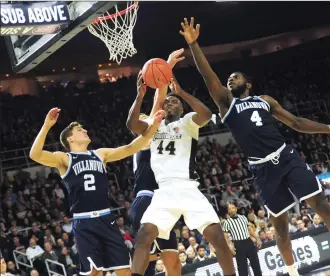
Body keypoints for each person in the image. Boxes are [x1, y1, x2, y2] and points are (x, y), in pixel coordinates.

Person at [181, 17, 330, 275]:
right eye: (228, 79)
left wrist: (328, 129)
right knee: (280, 227)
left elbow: (296, 122)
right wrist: (194, 44)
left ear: (247, 84)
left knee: (321, 205)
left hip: (286, 157)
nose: (229, 80)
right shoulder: (226, 103)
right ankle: (292, 273)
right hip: (262, 170)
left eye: (235, 77)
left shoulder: (265, 100)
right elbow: (208, 76)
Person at [29, 95, 165, 275]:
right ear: (70, 139)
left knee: (124, 270)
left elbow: (131, 148)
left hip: (106, 219)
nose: (84, 130)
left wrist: (153, 126)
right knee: (95, 273)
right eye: (79, 129)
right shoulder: (64, 158)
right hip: (84, 222)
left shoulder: (100, 154)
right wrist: (46, 126)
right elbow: (35, 154)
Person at [129, 76, 236, 276]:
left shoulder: (187, 122)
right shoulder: (154, 126)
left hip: (188, 188)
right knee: (144, 235)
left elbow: (205, 114)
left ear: (182, 109)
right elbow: (132, 125)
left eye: (175, 101)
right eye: (167, 100)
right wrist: (140, 94)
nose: (170, 102)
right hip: (163, 192)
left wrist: (181, 92)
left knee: (218, 239)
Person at [127, 49, 185, 276]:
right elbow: (158, 100)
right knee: (145, 263)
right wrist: (167, 65)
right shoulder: (142, 140)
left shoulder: (154, 135)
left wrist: (166, 69)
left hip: (163, 201)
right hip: (146, 200)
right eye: (143, 118)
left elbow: (159, 104)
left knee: (173, 262)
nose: (147, 117)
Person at [222, 203, 262, 276]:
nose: (231, 210)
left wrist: (257, 239)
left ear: (236, 209)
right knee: (242, 269)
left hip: (248, 242)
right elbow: (225, 237)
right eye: (229, 209)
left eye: (232, 208)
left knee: (256, 265)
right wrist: (230, 246)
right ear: (228, 211)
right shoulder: (227, 222)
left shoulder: (243, 217)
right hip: (238, 245)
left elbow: (249, 229)